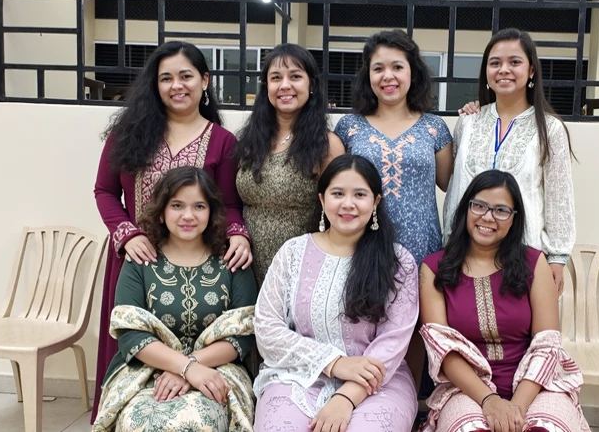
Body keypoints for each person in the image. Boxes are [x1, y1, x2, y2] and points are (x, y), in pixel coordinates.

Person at [93, 40, 254, 418]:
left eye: (186, 76)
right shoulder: (128, 134)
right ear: (155, 84)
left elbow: (229, 204)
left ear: (205, 81)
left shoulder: (222, 141)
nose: (176, 85)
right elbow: (104, 191)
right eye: (166, 78)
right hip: (138, 259)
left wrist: (237, 233)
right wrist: (126, 234)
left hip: (200, 261)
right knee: (134, 345)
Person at [251, 154, 420, 432]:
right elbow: (267, 329)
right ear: (322, 199)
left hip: (377, 384)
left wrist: (345, 397)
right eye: (338, 193)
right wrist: (334, 363)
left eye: (360, 194)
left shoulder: (397, 262)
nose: (348, 204)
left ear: (376, 202)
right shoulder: (293, 252)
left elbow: (392, 343)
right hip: (297, 375)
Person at [419, 170, 590, 432]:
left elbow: (547, 344)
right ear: (466, 208)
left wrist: (516, 408)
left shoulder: (534, 263)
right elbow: (444, 351)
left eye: (501, 210)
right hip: (466, 388)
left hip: (536, 385)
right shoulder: (434, 269)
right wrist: (490, 400)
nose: (487, 217)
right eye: (479, 206)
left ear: (514, 219)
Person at [92, 166, 258, 432]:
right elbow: (130, 335)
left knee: (198, 422)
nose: (188, 216)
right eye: (177, 205)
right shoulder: (141, 259)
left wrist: (194, 366)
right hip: (145, 370)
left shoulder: (231, 260)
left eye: (199, 206)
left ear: (212, 211)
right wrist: (185, 368)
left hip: (217, 369)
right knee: (138, 423)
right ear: (161, 211)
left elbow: (242, 334)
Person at [447, 28, 576, 294]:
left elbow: (559, 197)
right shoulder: (468, 123)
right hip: (465, 254)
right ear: (486, 72)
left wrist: (557, 257)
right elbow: (455, 187)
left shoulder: (549, 129)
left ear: (531, 71)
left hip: (523, 255)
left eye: (515, 62)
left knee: (518, 331)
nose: (504, 69)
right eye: (495, 63)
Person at [332, 29, 454, 265]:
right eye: (378, 69)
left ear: (413, 73)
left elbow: (448, 182)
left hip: (422, 249)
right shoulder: (348, 127)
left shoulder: (435, 127)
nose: (388, 76)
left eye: (397, 67)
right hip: (363, 247)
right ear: (368, 75)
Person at [235, 43, 345, 285]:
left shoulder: (327, 145)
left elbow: (338, 216)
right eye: (276, 78)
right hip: (245, 269)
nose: (285, 85)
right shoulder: (249, 141)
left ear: (311, 84)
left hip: (302, 272)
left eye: (295, 76)